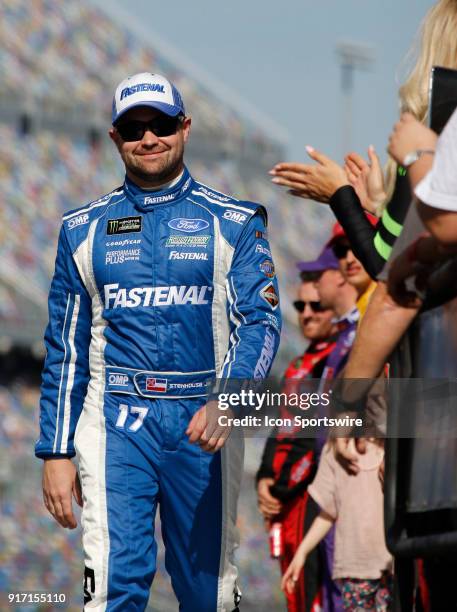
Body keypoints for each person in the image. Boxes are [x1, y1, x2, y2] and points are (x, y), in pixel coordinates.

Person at [35, 72, 282, 611]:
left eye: (161, 124)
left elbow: (260, 324)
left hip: (203, 424)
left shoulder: (235, 223)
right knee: (113, 582)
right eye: (133, 127)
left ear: (185, 128)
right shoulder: (81, 229)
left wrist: (232, 399)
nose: (149, 138)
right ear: (115, 138)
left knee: (207, 591)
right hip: (116, 420)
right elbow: (66, 349)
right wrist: (54, 450)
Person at [257, 273, 337, 612]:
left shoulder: (334, 363)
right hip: (288, 503)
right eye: (300, 305)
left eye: (316, 306)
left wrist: (280, 490)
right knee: (297, 597)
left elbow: (314, 439)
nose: (306, 313)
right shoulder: (300, 364)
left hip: (314, 502)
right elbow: (282, 428)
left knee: (313, 596)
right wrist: (263, 476)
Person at [281, 439, 393, 612]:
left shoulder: (394, 447)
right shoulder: (334, 451)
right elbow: (328, 513)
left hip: (392, 567)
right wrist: (301, 554)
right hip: (355, 571)